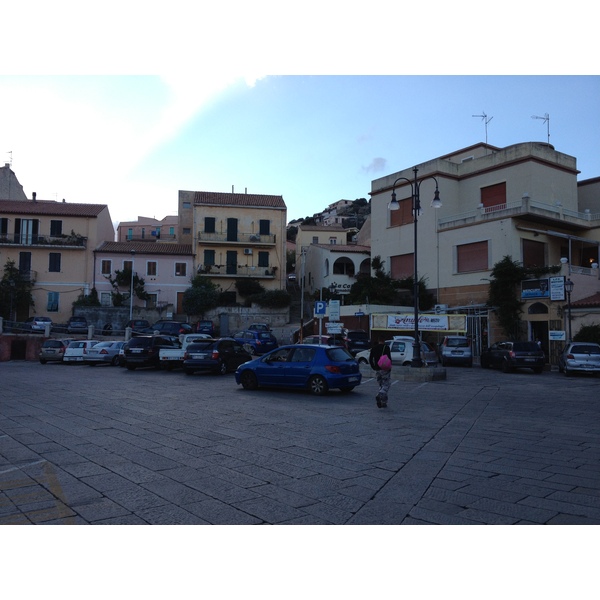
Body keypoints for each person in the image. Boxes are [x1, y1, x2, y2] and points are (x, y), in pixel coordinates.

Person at [369, 340, 392, 408]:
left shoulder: (374, 348)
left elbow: (370, 359)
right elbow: (389, 358)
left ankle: (383, 402)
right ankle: (379, 395)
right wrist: (390, 367)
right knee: (386, 384)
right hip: (385, 369)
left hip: (377, 369)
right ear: (384, 341)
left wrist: (373, 367)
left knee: (381, 384)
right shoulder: (386, 347)